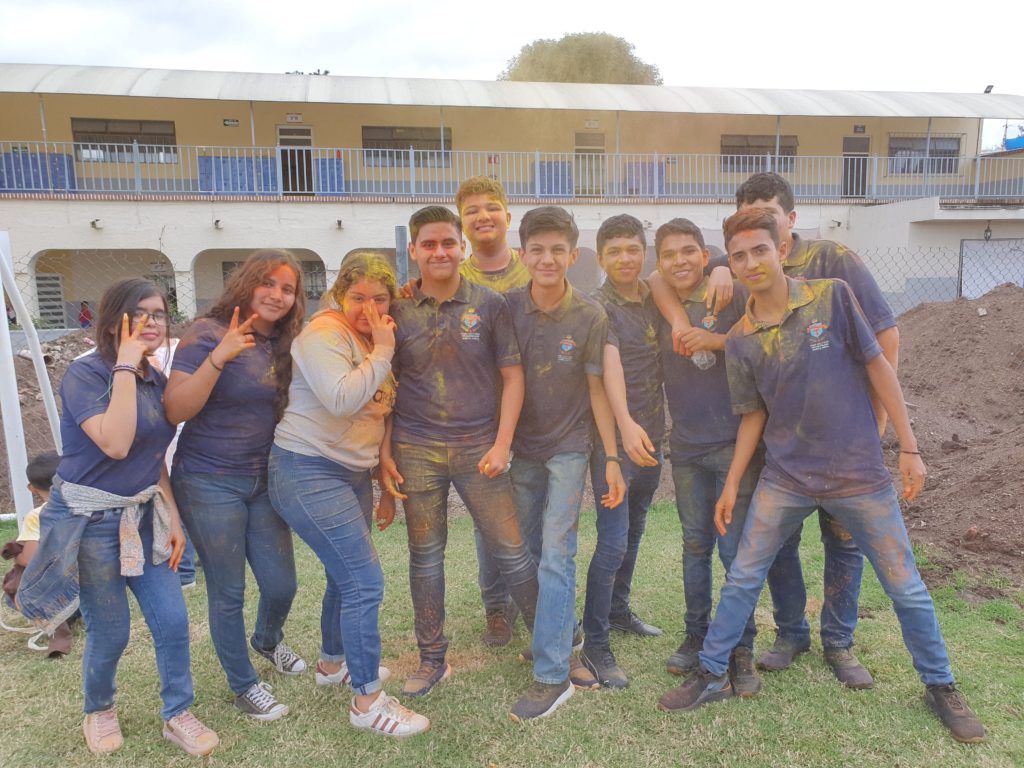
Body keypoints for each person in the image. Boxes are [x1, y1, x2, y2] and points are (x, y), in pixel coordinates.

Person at [656, 209, 986, 746]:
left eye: (759, 250)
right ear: (731, 265)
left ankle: (940, 685)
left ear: (781, 250)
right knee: (743, 575)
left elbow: (878, 367)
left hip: (859, 474)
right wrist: (734, 481)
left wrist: (909, 447)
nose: (750, 263)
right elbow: (753, 415)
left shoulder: (831, 297)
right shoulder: (741, 339)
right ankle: (712, 673)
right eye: (738, 256)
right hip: (786, 477)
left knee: (905, 587)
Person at [17, 278, 218, 756]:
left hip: (143, 517)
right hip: (89, 523)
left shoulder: (155, 380)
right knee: (111, 630)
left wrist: (172, 519)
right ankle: (99, 709)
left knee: (172, 621)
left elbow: (151, 456)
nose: (153, 322)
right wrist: (126, 365)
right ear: (113, 323)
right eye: (140, 314)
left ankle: (177, 713)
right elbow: (116, 443)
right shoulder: (86, 375)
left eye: (159, 314)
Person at [734, 172, 900, 687]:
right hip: (783, 444)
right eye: (748, 216)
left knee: (844, 540)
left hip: (846, 443)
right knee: (780, 543)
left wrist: (877, 419)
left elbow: (885, 336)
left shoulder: (833, 261)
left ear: (790, 218)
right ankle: (791, 633)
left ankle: (839, 641)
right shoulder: (744, 264)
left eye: (769, 215)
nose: (759, 232)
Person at [381, 205, 539, 701]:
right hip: (415, 447)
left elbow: (513, 377)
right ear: (413, 250)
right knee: (426, 556)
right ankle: (432, 658)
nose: (439, 252)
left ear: (462, 247)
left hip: (479, 447)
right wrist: (385, 452)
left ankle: (554, 646)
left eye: (448, 243)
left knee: (512, 550)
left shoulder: (490, 304)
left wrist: (503, 442)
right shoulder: (398, 310)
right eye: (428, 244)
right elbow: (386, 386)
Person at [269, 254, 429, 737]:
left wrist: (381, 472)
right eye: (357, 297)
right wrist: (384, 351)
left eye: (379, 298)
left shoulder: (370, 337)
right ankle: (367, 703)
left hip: (350, 471)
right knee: (363, 582)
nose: (369, 308)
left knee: (345, 579)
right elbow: (342, 399)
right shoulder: (323, 334)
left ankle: (333, 664)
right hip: (308, 467)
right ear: (340, 295)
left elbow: (379, 411)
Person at [164, 250, 306, 721]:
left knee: (282, 584)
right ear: (246, 283)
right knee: (228, 591)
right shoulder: (207, 333)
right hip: (208, 481)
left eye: (287, 289)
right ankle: (244, 684)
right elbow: (175, 409)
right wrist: (219, 358)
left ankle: (266, 640)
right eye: (268, 283)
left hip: (264, 480)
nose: (277, 295)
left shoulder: (285, 342)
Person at [504, 206, 625, 721]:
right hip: (522, 449)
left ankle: (552, 675)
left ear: (573, 256)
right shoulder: (508, 308)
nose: (547, 259)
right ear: (523, 255)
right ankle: (561, 630)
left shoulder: (591, 315)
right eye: (537, 249)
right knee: (528, 552)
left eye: (558, 250)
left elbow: (598, 388)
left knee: (558, 553)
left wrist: (612, 456)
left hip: (571, 447)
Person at [652, 218, 760, 695]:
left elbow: (760, 337)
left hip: (735, 444)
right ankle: (696, 635)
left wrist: (717, 336)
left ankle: (741, 647)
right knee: (695, 545)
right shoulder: (659, 298)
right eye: (669, 254)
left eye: (689, 252)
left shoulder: (730, 291)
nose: (679, 261)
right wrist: (679, 320)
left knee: (736, 552)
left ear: (704, 253)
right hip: (687, 449)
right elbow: (653, 280)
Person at [578, 214, 665, 690]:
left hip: (653, 437)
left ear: (644, 253)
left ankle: (617, 609)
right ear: (601, 256)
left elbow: (708, 265)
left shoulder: (654, 297)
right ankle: (595, 643)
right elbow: (599, 380)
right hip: (613, 441)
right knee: (612, 540)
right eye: (614, 251)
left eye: (632, 249)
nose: (625, 259)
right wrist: (620, 438)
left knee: (635, 528)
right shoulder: (598, 308)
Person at [454, 175, 532, 647]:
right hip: (482, 419)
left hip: (539, 417)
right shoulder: (456, 276)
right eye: (471, 210)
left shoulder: (533, 269)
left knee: (532, 515)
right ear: (462, 222)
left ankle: (534, 599)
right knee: (490, 521)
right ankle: (496, 607)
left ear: (508, 214)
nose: (482, 216)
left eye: (491, 207)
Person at [1, 450, 75, 657]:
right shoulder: (82, 505)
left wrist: (17, 554)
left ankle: (57, 624)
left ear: (31, 488)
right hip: (87, 581)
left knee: (15, 587)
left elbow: (32, 560)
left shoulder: (37, 516)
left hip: (60, 587)